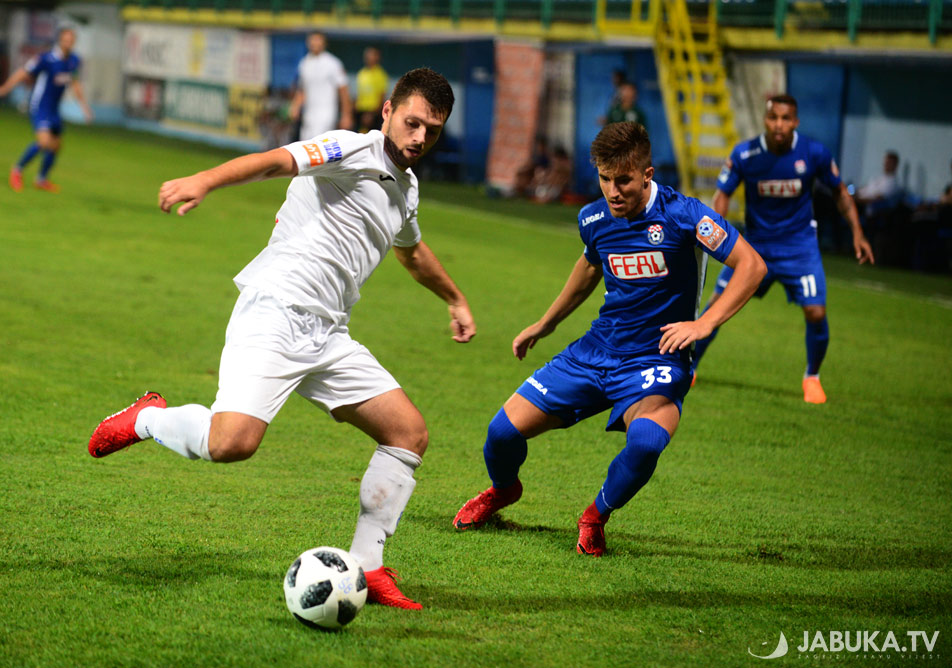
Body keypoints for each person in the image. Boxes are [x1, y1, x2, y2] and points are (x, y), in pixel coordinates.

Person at [88, 68, 474, 610]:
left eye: (432, 131)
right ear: (387, 112)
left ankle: (368, 565)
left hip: (329, 332)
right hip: (275, 312)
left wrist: (454, 298)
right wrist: (205, 180)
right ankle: (146, 418)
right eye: (412, 123)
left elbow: (411, 252)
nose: (419, 138)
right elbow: (276, 162)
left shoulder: (406, 189)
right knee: (231, 445)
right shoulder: (349, 148)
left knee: (407, 433)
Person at [453, 122, 766, 556]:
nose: (613, 190)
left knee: (646, 443)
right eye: (604, 178)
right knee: (502, 433)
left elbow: (751, 265)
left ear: (647, 174)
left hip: (656, 358)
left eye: (623, 180)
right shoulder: (595, 218)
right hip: (594, 351)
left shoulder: (685, 215)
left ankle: (595, 515)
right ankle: (503, 491)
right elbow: (588, 268)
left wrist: (704, 324)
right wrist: (546, 323)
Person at [693, 94, 874, 404]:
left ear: (796, 122)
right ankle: (689, 367)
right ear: (765, 120)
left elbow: (840, 192)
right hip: (756, 247)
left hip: (799, 247)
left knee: (816, 312)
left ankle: (812, 378)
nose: (779, 124)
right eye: (774, 118)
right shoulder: (745, 154)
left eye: (785, 118)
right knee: (717, 305)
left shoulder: (813, 153)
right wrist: (719, 235)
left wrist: (857, 232)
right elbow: (722, 195)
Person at [0, 26, 93, 193]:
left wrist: (84, 107)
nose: (68, 42)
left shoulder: (74, 60)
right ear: (60, 40)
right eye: (65, 39)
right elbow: (23, 73)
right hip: (40, 105)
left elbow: (75, 83)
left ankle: (41, 180)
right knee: (44, 142)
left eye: (71, 40)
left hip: (54, 109)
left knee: (56, 145)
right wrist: (3, 89)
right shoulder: (46, 58)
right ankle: (17, 170)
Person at [290, 31, 353, 140]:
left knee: (320, 147)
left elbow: (343, 90)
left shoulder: (333, 63)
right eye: (312, 40)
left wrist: (346, 115)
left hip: (326, 114)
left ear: (324, 43)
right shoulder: (304, 63)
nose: (315, 43)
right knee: (305, 148)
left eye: (318, 40)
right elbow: (302, 89)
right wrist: (295, 106)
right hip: (309, 115)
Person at [355, 46, 388, 134]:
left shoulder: (380, 75)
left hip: (373, 114)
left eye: (372, 55)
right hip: (361, 112)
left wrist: (371, 115)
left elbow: (381, 97)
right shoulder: (362, 73)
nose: (368, 57)